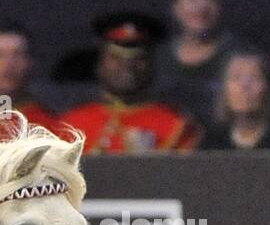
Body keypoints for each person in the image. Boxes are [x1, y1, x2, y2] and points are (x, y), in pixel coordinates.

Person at [60, 13, 200, 154]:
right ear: (100, 64)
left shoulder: (176, 126)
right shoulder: (73, 123)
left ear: (152, 64)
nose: (127, 67)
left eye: (138, 59)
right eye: (116, 58)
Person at [154, 0, 258, 129]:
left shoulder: (243, 57)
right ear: (176, 7)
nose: (202, 7)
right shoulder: (157, 57)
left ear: (222, 6)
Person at [200, 52, 270, 150]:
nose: (244, 85)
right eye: (236, 77)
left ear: (269, 88)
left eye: (254, 77)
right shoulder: (211, 144)